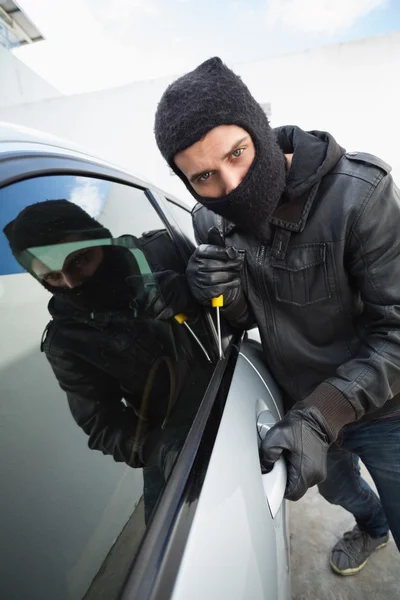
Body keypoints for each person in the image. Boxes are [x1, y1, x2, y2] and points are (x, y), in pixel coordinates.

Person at [154, 56, 400, 575]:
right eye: (205, 176)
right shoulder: (212, 221)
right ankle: (372, 527)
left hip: (386, 410)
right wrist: (212, 291)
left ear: (260, 129)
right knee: (340, 491)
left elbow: (397, 331)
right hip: (302, 408)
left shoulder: (359, 196)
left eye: (238, 153)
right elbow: (245, 318)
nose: (232, 183)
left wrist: (323, 414)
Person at [4, 199, 208, 522]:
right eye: (53, 278)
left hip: (228, 381)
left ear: (101, 239)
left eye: (80, 260)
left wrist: (199, 294)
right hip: (172, 435)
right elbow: (102, 423)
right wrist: (158, 448)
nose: (72, 284)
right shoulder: (67, 342)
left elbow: (234, 306)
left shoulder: (161, 250)